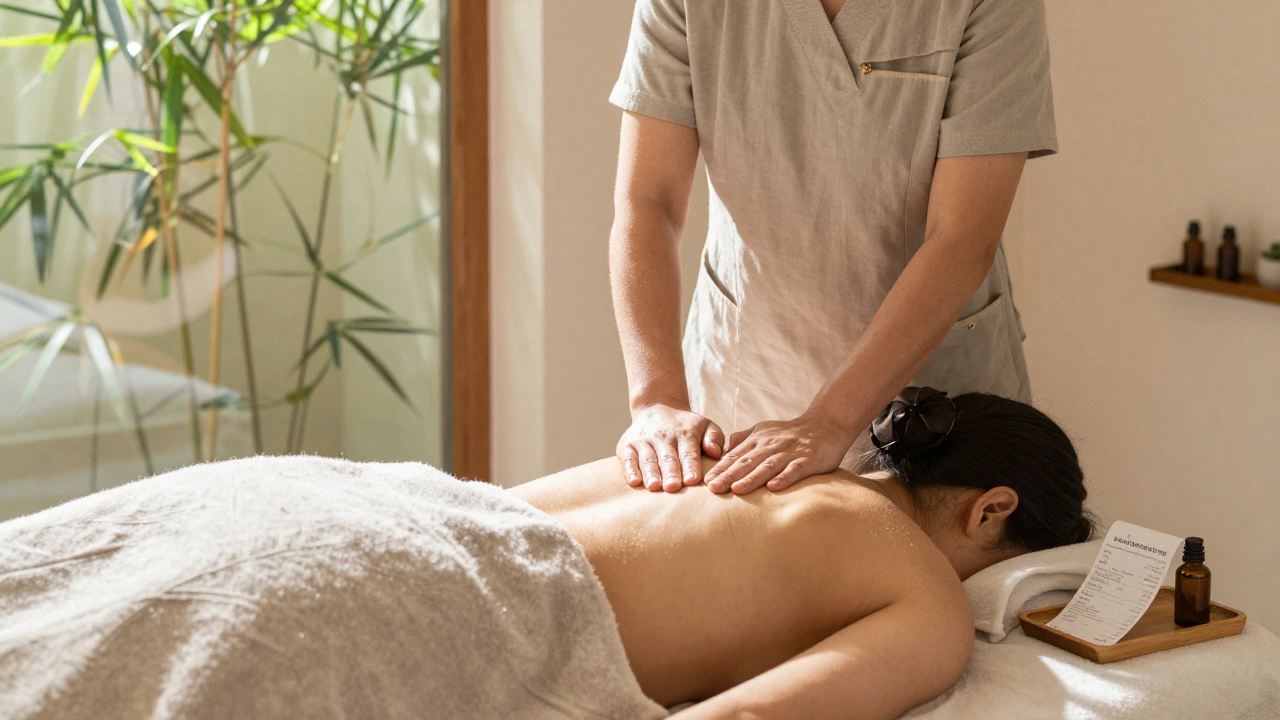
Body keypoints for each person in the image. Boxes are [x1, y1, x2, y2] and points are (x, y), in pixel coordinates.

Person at [609, 0, 1059, 495]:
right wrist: (656, 400)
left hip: (934, 401)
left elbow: (962, 237)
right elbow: (649, 201)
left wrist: (828, 421)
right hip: (749, 378)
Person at [514, 390, 1094, 717]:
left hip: (436, 506)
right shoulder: (930, 601)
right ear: (991, 510)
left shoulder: (743, 453)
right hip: (472, 614)